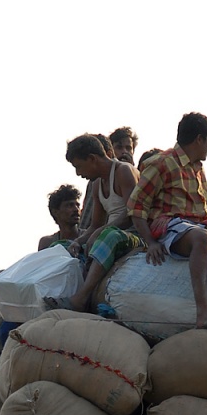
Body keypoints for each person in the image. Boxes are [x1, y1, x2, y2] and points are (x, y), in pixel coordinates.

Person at [128, 112, 207, 331]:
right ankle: (203, 311)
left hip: (199, 227)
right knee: (200, 237)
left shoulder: (197, 167)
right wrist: (151, 242)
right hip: (171, 226)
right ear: (199, 139)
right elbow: (137, 206)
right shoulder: (160, 163)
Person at [44, 133, 141, 314]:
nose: (78, 173)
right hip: (110, 232)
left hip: (134, 234)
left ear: (92, 159)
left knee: (108, 236)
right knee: (60, 245)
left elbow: (131, 214)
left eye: (79, 166)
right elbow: (95, 225)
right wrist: (77, 242)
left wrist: (101, 231)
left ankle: (82, 297)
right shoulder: (97, 185)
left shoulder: (123, 171)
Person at [38, 184, 81, 251]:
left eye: (77, 205)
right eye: (70, 205)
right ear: (55, 212)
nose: (76, 209)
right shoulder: (47, 243)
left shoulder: (88, 237)